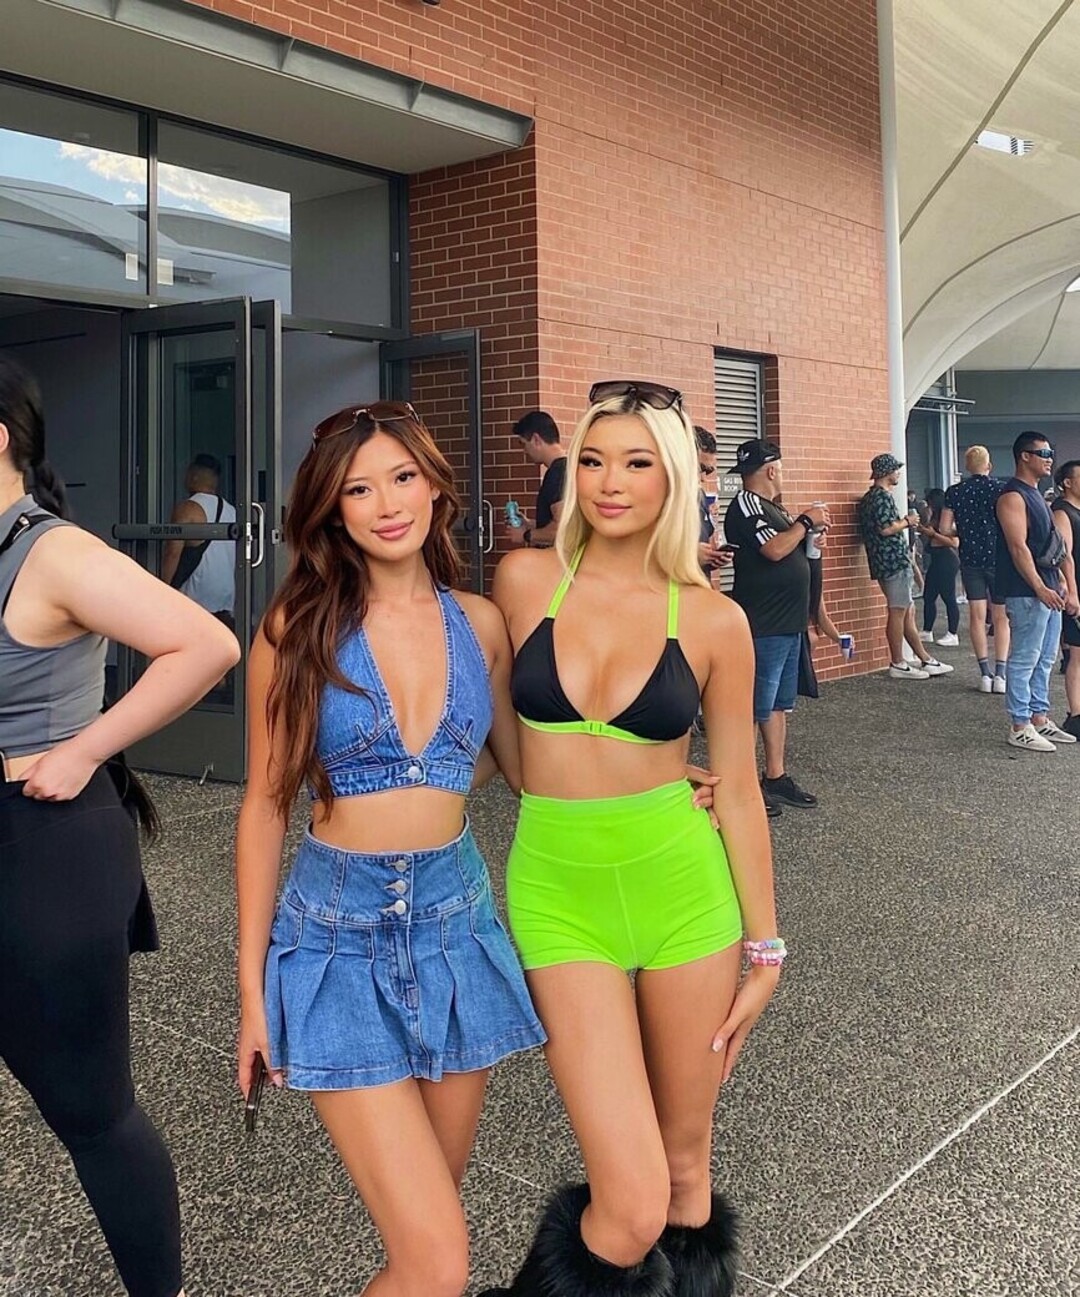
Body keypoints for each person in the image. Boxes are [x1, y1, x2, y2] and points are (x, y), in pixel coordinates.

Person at [235, 400, 545, 1297]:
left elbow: (525, 769)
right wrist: (251, 991)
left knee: (429, 1242)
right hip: (336, 939)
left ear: (434, 486)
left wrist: (665, 774)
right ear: (332, 510)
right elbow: (262, 807)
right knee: (438, 1261)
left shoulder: (481, 623)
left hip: (455, 931)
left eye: (402, 477)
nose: (386, 503)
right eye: (358, 489)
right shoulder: (296, 629)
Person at [484, 379, 782, 1297]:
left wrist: (766, 947)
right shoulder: (523, 580)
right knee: (630, 1190)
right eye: (593, 460)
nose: (610, 482)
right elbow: (503, 751)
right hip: (557, 894)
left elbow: (740, 792)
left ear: (674, 477)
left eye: (636, 462)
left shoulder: (714, 618)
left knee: (686, 1167)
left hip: (684, 896)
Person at [0, 354, 239, 1297]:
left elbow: (205, 644)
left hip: (42, 841)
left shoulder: (52, 553)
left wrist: (84, 748)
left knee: (90, 1110)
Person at [723, 438, 827, 815]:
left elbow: (790, 548)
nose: (781, 475)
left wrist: (811, 538)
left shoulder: (775, 509)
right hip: (763, 623)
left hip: (788, 622)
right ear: (771, 470)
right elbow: (774, 549)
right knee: (754, 706)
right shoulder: (747, 504)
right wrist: (805, 521)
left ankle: (775, 775)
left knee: (779, 704)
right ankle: (743, 785)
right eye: (780, 469)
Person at [995, 432, 1079, 751]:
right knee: (1025, 658)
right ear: (1024, 456)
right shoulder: (1012, 496)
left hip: (1049, 589)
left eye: (1050, 453)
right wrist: (1040, 586)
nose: (1049, 459)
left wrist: (1063, 584)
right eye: (1043, 453)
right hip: (1026, 590)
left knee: (1045, 658)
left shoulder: (1037, 497)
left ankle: (1039, 717)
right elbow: (1018, 548)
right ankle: (1020, 725)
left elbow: (1057, 547)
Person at [856, 453, 954, 681]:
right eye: (895, 469)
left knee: (907, 611)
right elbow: (886, 528)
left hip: (883, 561)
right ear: (886, 472)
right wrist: (907, 522)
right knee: (898, 611)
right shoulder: (881, 497)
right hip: (893, 561)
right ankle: (898, 662)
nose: (898, 473)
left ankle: (925, 658)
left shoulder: (871, 497)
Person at [940, 446, 1009, 692]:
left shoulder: (955, 492)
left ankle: (984, 674)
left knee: (977, 616)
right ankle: (1001, 674)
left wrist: (963, 531)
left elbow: (944, 528)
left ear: (967, 466)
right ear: (989, 466)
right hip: (999, 559)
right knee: (1001, 617)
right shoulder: (1001, 489)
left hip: (970, 559)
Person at [160, 453, 238, 625]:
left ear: (193, 475)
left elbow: (172, 553)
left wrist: (162, 590)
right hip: (224, 599)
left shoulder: (188, 508)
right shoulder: (232, 511)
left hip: (193, 600)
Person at [504, 410, 567, 548]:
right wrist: (529, 524)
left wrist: (526, 535)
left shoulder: (558, 473)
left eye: (523, 444)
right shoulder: (565, 469)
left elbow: (563, 529)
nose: (525, 451)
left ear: (536, 439)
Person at [1052, 461, 1080, 737]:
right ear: (1067, 483)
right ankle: (1075, 714)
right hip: (1077, 590)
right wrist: (1071, 591)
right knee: (1077, 654)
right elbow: (1064, 555)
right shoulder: (1062, 512)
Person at [917, 488, 960, 646]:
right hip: (936, 558)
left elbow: (954, 542)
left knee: (948, 596)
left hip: (946, 558)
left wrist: (933, 534)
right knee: (929, 596)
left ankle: (953, 633)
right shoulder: (934, 516)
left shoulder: (947, 519)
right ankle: (927, 630)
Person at [693, 425, 732, 580]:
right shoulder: (656, 497)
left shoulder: (700, 496)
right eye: (700, 468)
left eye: (708, 471)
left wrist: (713, 558)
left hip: (698, 585)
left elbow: (705, 543)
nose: (703, 478)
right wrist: (688, 556)